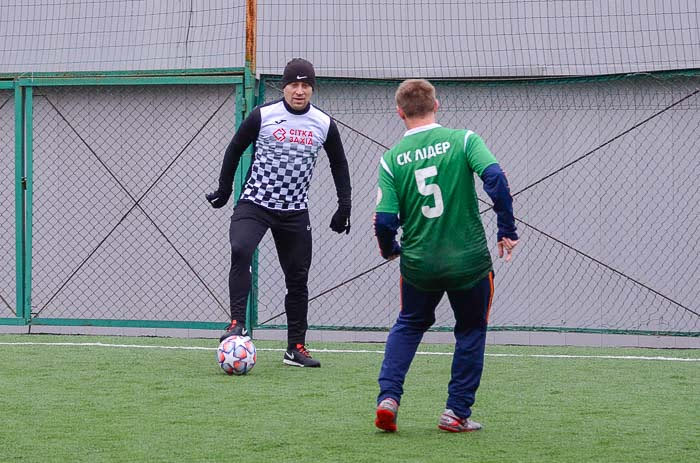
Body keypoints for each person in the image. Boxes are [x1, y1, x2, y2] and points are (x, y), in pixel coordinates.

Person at [373, 79, 518, 432]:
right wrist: (506, 230)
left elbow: (385, 220)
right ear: (436, 105)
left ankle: (388, 399)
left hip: (419, 264)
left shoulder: (391, 160)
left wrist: (389, 249)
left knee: (409, 324)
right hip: (469, 262)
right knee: (470, 330)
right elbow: (495, 178)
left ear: (399, 112)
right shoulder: (464, 140)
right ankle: (455, 413)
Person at [206, 58, 352, 368]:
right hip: (255, 204)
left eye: (305, 85)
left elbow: (339, 163)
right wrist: (224, 189)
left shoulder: (323, 124)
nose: (299, 91)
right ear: (283, 87)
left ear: (312, 88)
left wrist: (344, 205)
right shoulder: (263, 116)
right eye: (294, 85)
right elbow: (234, 149)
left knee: (297, 278)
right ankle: (236, 323)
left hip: (294, 210)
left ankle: (295, 347)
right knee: (240, 249)